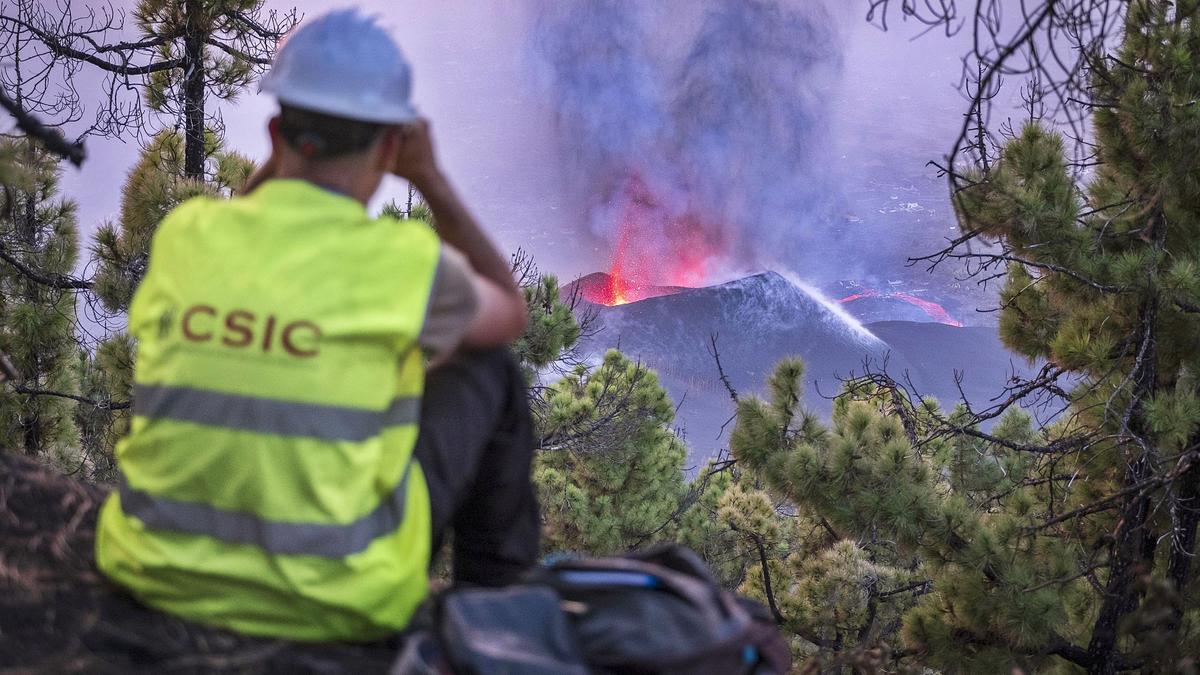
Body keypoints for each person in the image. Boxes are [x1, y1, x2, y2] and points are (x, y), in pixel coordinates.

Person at [94, 9, 540, 642]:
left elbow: (246, 222)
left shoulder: (186, 233)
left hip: (152, 571)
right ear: (391, 148)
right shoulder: (405, 265)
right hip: (340, 601)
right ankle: (499, 625)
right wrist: (430, 177)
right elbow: (509, 311)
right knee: (486, 367)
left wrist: (284, 157)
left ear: (275, 132)